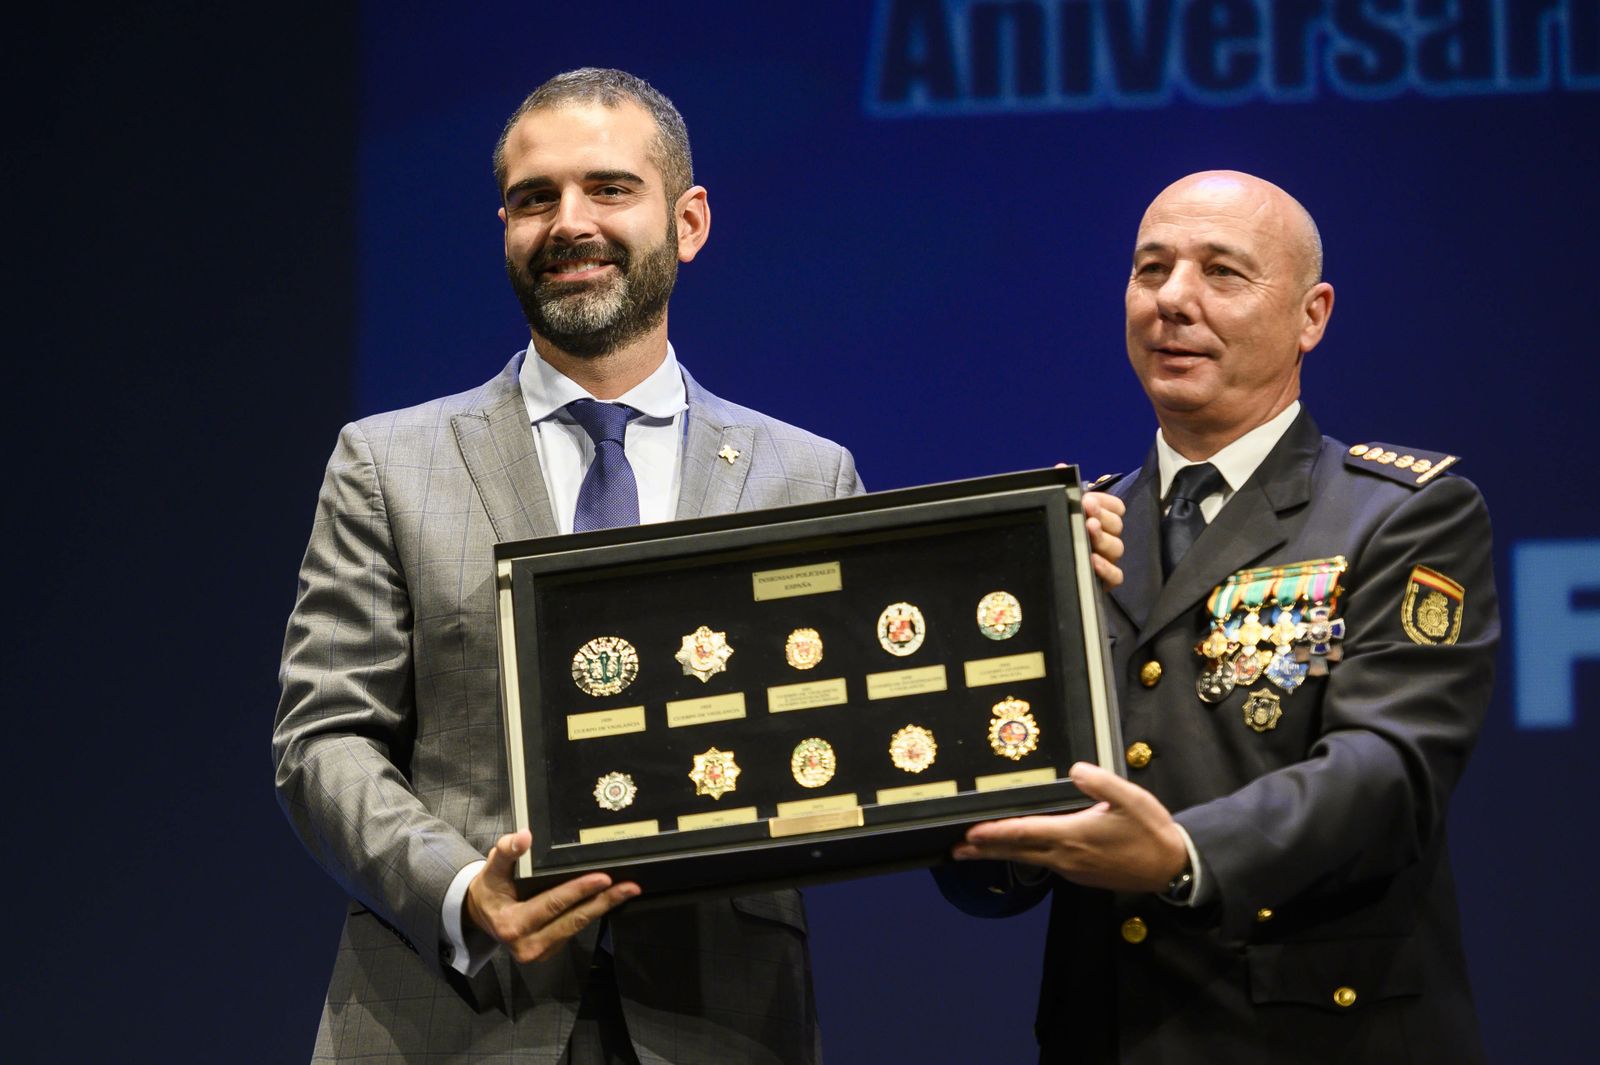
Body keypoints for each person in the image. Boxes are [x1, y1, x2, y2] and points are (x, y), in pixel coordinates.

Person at [271, 68, 860, 1064]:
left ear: (689, 221)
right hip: (449, 1013)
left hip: (718, 1019)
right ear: (505, 228)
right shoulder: (387, 463)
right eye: (535, 198)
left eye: (609, 189)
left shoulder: (805, 477)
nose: (569, 223)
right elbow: (323, 739)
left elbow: (849, 728)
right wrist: (462, 888)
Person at [940, 171, 1497, 1064]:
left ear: (1312, 316)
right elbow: (991, 840)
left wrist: (1182, 852)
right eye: (1151, 269)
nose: (1173, 299)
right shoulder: (1074, 533)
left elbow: (1391, 770)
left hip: (1314, 1036)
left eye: (1222, 272)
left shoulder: (1400, 513)